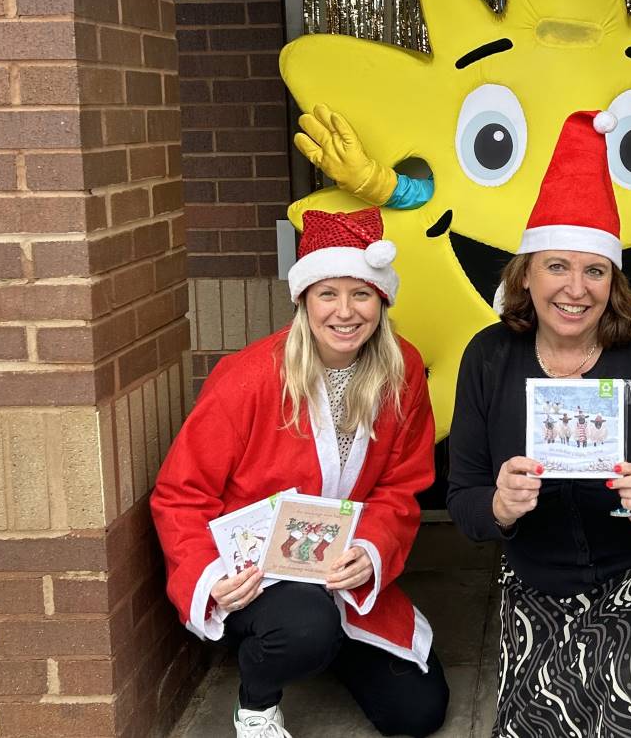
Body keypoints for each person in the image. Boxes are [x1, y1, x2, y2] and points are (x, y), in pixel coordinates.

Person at [447, 110, 631, 737]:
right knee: (545, 724)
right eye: (557, 266)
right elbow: (463, 497)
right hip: (541, 575)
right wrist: (498, 507)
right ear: (525, 273)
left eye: (595, 270)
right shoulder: (489, 357)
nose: (575, 289)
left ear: (613, 280)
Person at [151, 208, 449, 738]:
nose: (345, 312)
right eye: (328, 293)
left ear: (382, 300)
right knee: (304, 626)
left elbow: (401, 484)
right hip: (254, 574)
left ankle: (323, 641)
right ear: (304, 299)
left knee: (417, 713)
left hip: (338, 574)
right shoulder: (249, 377)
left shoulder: (401, 369)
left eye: (361, 294)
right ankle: (257, 704)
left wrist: (372, 550)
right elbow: (181, 492)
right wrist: (211, 577)